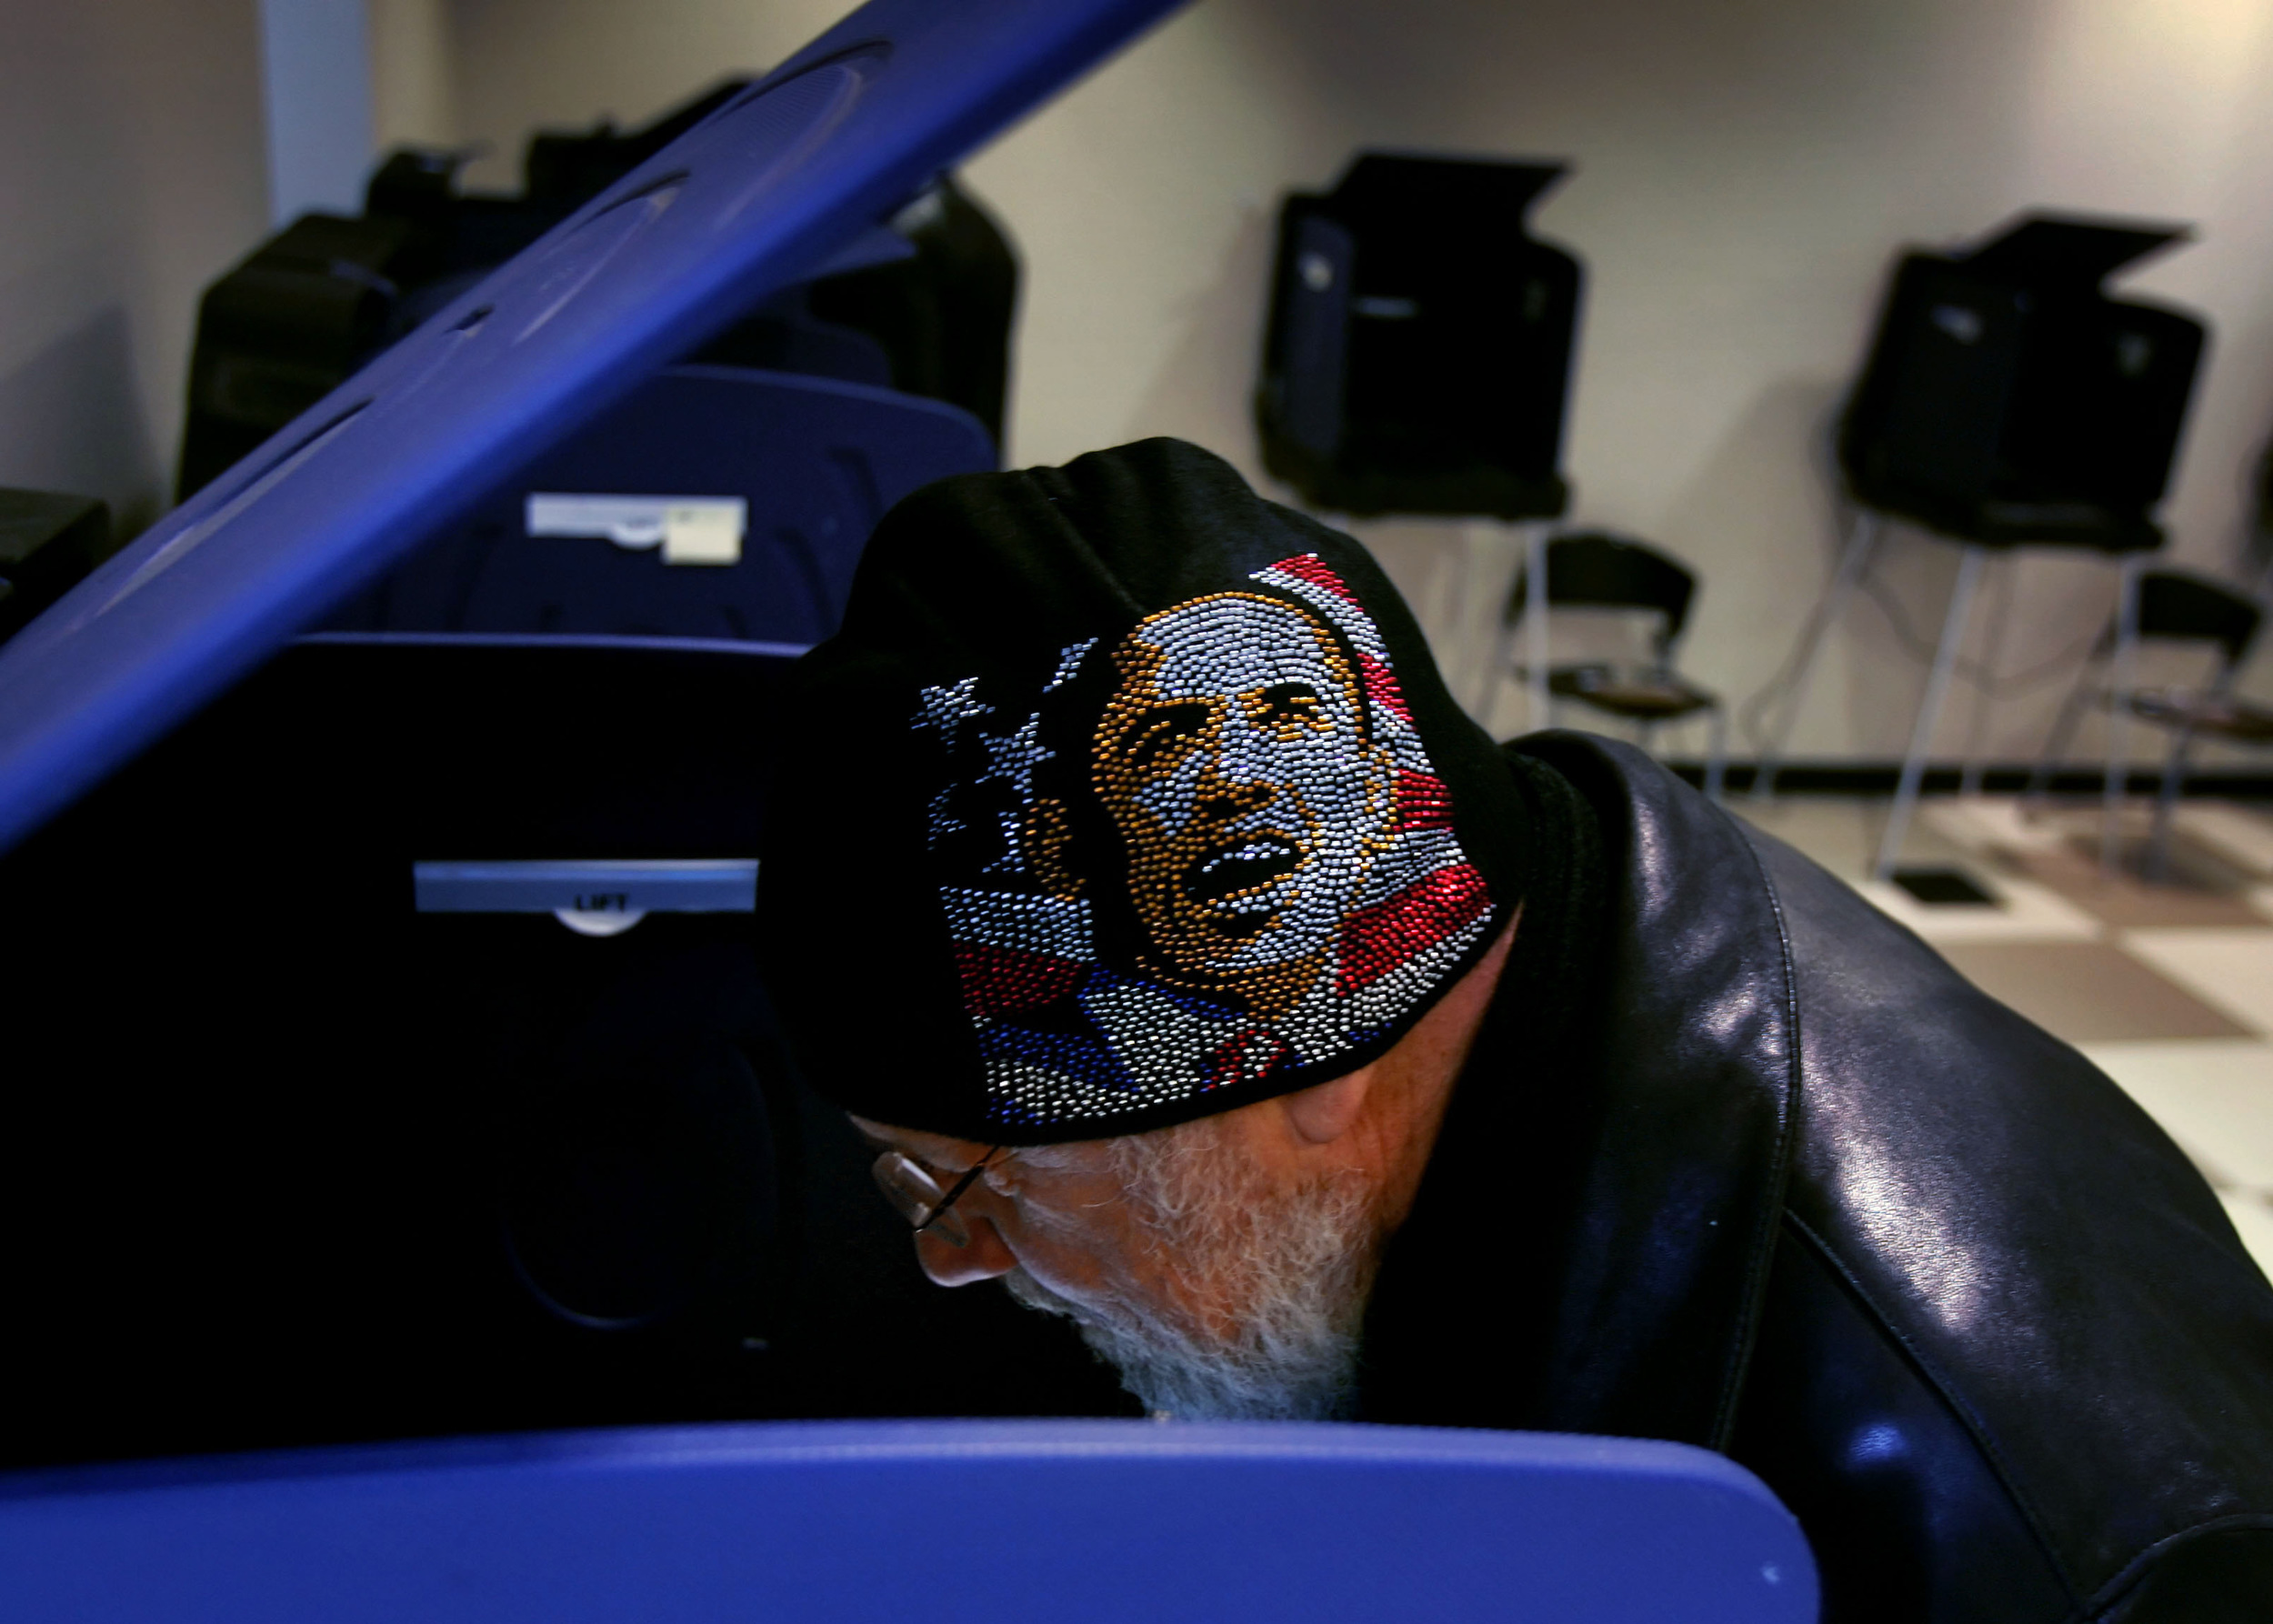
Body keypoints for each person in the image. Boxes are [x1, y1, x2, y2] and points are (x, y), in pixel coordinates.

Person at [761, 437, 2273, 1621]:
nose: (950, 1258)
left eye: (955, 1181)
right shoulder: (1514, 923)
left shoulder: (2047, 1537)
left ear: (1297, 1077)